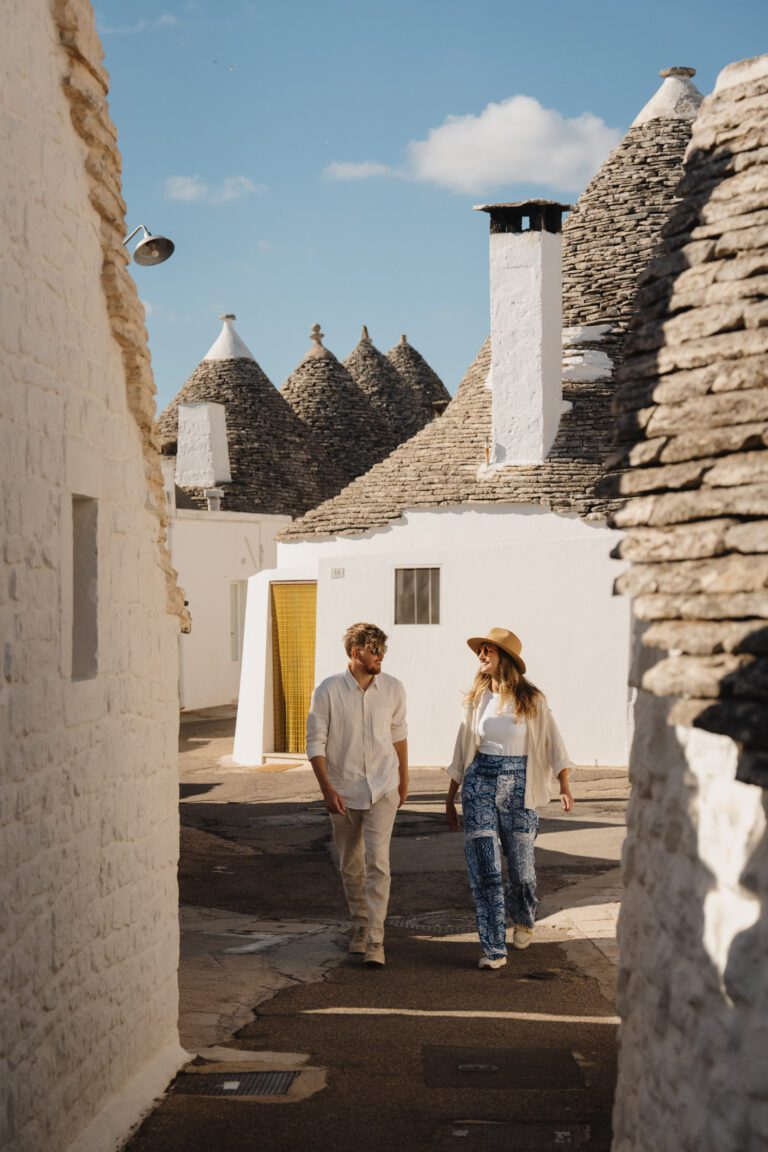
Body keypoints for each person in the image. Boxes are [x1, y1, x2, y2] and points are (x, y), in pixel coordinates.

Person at [445, 627, 573, 970]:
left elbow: (553, 743)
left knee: (522, 869)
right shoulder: (477, 699)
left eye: (488, 651)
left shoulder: (533, 700)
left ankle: (524, 918)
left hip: (521, 787)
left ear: (506, 658)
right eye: (480, 651)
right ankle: (493, 948)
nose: (482, 656)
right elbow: (462, 747)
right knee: (485, 867)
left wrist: (564, 784)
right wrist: (450, 796)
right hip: (480, 783)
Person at [307, 622, 408, 968]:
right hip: (343, 789)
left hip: (383, 786)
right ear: (355, 653)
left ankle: (376, 940)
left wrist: (403, 780)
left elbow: (398, 735)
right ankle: (360, 928)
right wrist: (327, 789)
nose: (381, 656)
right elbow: (315, 743)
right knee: (351, 863)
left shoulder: (393, 688)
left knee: (378, 862)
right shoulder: (328, 690)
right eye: (374, 650)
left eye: (383, 650)